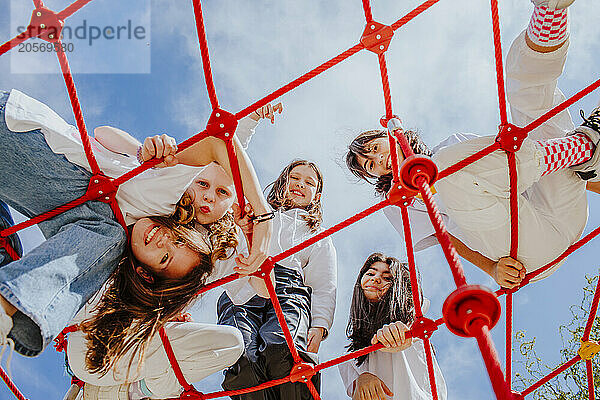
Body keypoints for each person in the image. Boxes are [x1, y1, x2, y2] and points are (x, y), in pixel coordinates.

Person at [345, 0, 600, 289]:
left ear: (389, 137)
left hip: (556, 201)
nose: (379, 160)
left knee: (523, 105)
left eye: (376, 149)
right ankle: (582, 145)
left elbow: (518, 168)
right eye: (371, 165)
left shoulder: (454, 144)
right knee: (441, 174)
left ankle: (551, 9)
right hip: (525, 248)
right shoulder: (399, 202)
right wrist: (491, 268)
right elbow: (447, 238)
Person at [0, 89, 272, 359]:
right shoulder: (159, 200)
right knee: (109, 235)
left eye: (165, 257)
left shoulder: (103, 250)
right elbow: (219, 143)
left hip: (15, 169)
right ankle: (8, 310)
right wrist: (262, 215)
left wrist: (249, 243)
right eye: (177, 238)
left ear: (143, 272)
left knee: (25, 248)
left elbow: (263, 288)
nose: (163, 240)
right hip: (16, 129)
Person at [218, 159, 338, 400]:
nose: (300, 184)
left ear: (317, 196)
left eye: (308, 182)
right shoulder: (258, 213)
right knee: (241, 356)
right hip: (242, 286)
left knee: (282, 348)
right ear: (283, 182)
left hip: (288, 287)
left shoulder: (317, 234)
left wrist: (320, 324)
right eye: (294, 178)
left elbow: (324, 283)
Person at [338, 253, 446, 400]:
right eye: (370, 273)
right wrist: (363, 379)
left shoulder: (412, 323)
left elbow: (418, 310)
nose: (376, 278)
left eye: (387, 278)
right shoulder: (350, 356)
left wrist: (403, 332)